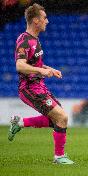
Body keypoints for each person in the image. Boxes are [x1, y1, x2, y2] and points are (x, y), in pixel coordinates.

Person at [8, 3, 74, 164]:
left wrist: (49, 69)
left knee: (58, 120)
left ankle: (20, 122)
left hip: (39, 86)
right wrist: (41, 71)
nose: (47, 21)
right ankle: (59, 157)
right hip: (29, 88)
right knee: (62, 117)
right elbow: (20, 65)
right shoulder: (24, 40)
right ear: (36, 20)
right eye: (44, 18)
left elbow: (35, 65)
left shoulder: (35, 40)